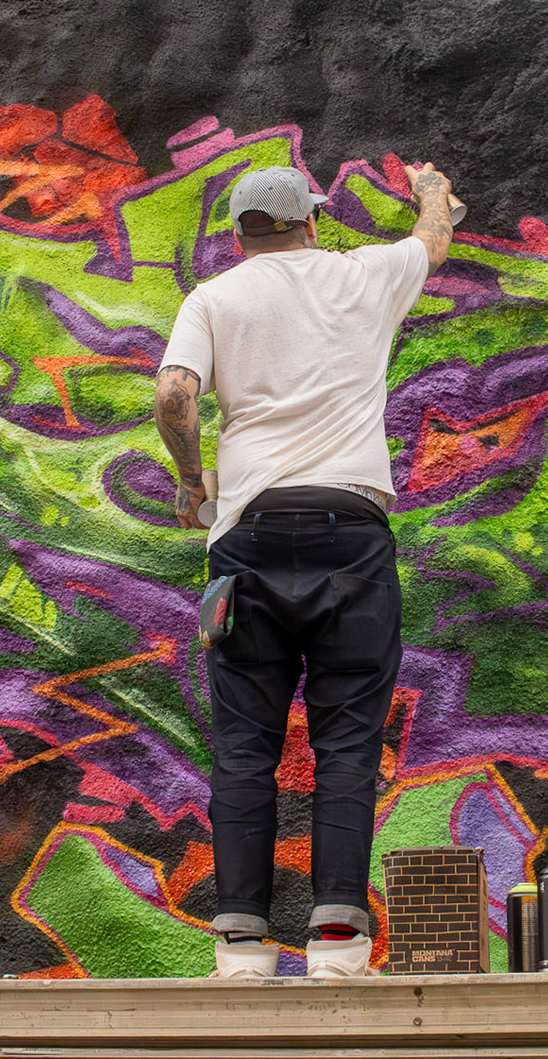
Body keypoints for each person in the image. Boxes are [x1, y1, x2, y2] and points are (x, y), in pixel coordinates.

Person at [153, 161, 456, 978]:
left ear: (239, 231)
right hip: (351, 533)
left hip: (247, 539)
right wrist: (432, 192)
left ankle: (241, 947)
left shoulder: (213, 299)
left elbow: (175, 395)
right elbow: (432, 240)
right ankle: (337, 945)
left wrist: (192, 486)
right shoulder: (365, 276)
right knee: (347, 744)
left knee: (245, 746)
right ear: (313, 220)